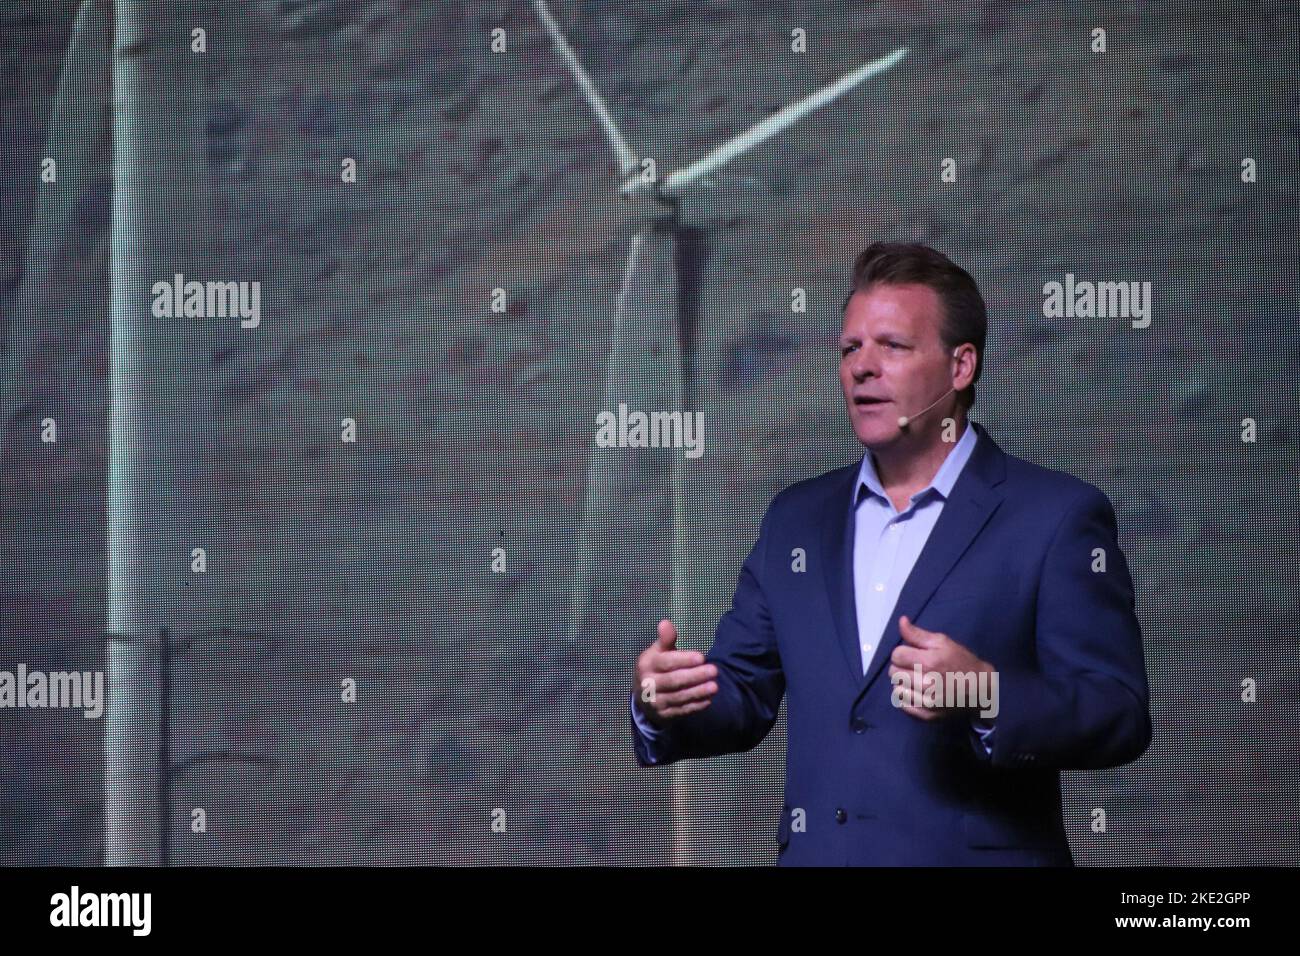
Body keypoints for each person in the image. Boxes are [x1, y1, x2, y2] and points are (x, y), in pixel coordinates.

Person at [628, 241, 1152, 866]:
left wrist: (986, 691)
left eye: (892, 346)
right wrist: (662, 702)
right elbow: (741, 692)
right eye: (849, 348)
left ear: (961, 367)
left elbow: (1117, 712)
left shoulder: (1056, 516)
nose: (861, 367)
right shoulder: (795, 520)